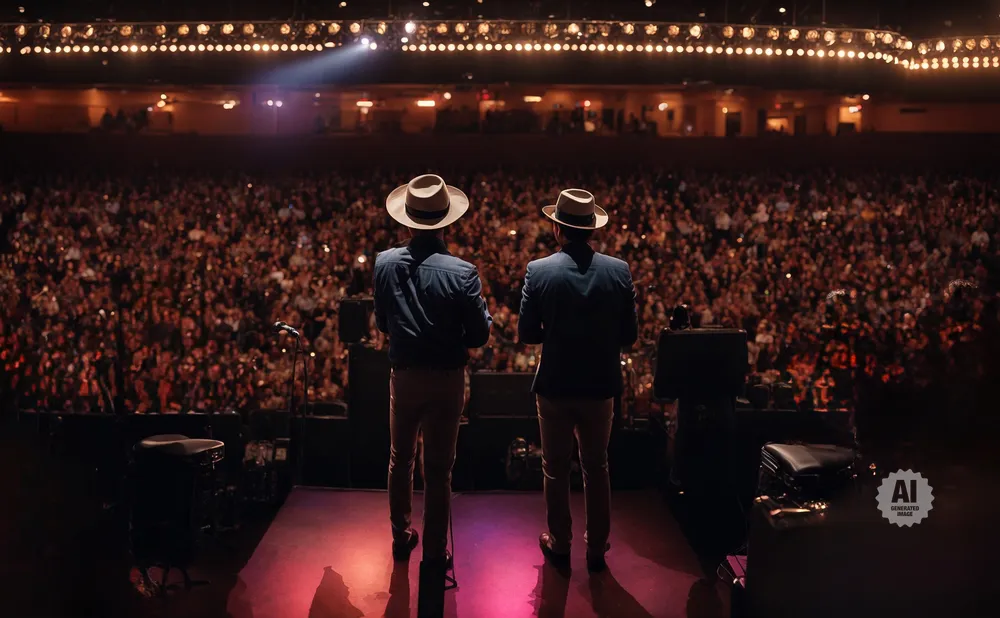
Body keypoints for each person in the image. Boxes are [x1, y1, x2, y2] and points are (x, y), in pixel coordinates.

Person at [373, 174, 493, 568]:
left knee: (400, 458)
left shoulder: (385, 263)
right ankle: (436, 551)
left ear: (407, 219)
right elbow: (478, 336)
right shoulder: (463, 272)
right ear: (447, 221)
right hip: (446, 380)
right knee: (439, 470)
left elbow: (382, 324)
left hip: (404, 376)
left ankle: (398, 534)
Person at [518, 188, 639, 572]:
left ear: (558, 229)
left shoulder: (538, 270)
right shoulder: (619, 270)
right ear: (591, 228)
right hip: (601, 386)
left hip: (554, 385)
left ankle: (560, 542)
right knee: (597, 465)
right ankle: (597, 548)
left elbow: (527, 333)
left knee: (554, 467)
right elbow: (629, 336)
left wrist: (556, 329)